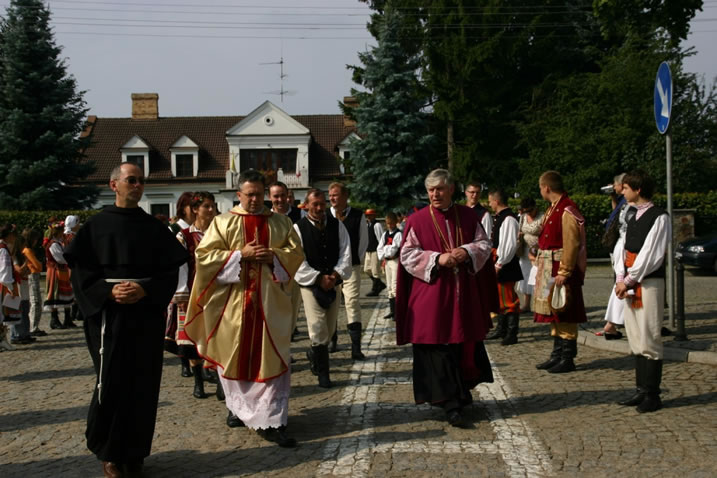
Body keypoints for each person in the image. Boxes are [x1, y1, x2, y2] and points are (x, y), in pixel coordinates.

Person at [64, 163, 187, 477]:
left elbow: (169, 272)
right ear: (114, 185)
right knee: (111, 380)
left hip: (145, 315)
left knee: (143, 383)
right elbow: (80, 274)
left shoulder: (154, 227)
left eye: (141, 181)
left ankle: (135, 453)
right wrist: (108, 292)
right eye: (131, 180)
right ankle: (109, 453)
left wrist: (145, 289)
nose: (137, 185)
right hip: (108, 317)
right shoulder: (96, 226)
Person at [184, 170, 304, 448]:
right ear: (238, 195)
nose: (254, 199)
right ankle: (236, 408)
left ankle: (272, 421)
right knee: (234, 354)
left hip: (270, 306)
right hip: (234, 306)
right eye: (249, 195)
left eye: (259, 194)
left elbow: (297, 254)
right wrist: (240, 255)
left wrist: (274, 256)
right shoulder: (223, 222)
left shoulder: (281, 222)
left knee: (271, 359)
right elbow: (204, 257)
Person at [396, 169, 496, 427]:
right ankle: (449, 403)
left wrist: (466, 251)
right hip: (432, 295)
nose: (435, 194)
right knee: (436, 347)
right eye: (431, 190)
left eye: (439, 189)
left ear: (451, 189)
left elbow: (484, 244)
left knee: (462, 344)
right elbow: (407, 255)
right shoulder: (417, 220)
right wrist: (436, 258)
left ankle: (460, 395)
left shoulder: (468, 216)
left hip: (463, 294)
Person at [614, 170, 670, 413]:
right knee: (635, 335)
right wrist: (620, 276)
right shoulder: (631, 214)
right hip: (630, 282)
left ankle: (652, 394)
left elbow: (651, 254)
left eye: (626, 188)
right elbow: (622, 247)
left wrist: (629, 279)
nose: (622, 192)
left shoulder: (659, 217)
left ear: (638, 190)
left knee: (649, 335)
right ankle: (641, 390)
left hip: (648, 283)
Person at [294, 188, 353, 388]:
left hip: (333, 281)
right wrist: (318, 278)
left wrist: (334, 275)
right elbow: (297, 259)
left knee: (329, 328)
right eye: (315, 204)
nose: (319, 208)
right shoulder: (298, 228)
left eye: (322, 204)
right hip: (310, 284)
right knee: (317, 326)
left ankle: (314, 352)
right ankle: (323, 374)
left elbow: (346, 252)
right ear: (306, 205)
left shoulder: (337, 225)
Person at [166, 191, 221, 399]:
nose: (211, 210)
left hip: (217, 293)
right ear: (195, 209)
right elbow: (180, 265)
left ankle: (220, 382)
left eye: (213, 206)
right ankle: (198, 381)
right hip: (192, 292)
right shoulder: (185, 235)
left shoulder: (220, 232)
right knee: (193, 338)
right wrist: (181, 293)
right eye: (206, 206)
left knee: (217, 337)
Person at [533, 171, 587, 374]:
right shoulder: (553, 208)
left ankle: (567, 357)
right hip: (550, 266)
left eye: (541, 188)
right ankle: (557, 354)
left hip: (561, 267)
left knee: (565, 311)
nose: (540, 191)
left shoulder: (567, 209)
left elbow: (571, 243)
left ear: (546, 187)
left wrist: (565, 271)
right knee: (554, 311)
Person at [328, 182, 369, 359]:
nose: (332, 198)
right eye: (330, 195)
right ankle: (332, 339)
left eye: (335, 195)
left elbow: (363, 242)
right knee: (332, 303)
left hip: (351, 267)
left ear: (345, 196)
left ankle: (355, 346)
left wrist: (354, 261)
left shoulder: (358, 215)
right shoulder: (326, 215)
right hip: (330, 268)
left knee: (352, 302)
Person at [485, 189, 523, 346]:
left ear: (497, 201)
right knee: (500, 298)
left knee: (508, 299)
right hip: (499, 261)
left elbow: (509, 245)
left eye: (490, 201)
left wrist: (500, 263)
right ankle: (502, 329)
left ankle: (512, 333)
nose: (490, 204)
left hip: (505, 264)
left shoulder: (508, 219)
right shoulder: (501, 217)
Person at [269, 181, 303, 345]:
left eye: (283, 195)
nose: (280, 200)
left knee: (291, 310)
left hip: (295, 272)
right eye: (276, 196)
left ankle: (286, 344)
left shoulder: (301, 215)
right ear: (270, 197)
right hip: (271, 273)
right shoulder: (265, 217)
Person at [600, 173, 629, 339]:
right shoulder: (626, 204)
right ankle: (611, 324)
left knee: (621, 284)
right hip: (623, 248)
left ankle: (611, 324)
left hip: (621, 247)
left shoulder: (626, 204)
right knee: (623, 285)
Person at [44, 221, 75, 329]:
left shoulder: (59, 243)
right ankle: (54, 319)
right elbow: (60, 259)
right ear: (58, 232)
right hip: (55, 271)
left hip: (62, 270)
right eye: (62, 231)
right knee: (55, 293)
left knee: (65, 293)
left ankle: (67, 318)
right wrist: (71, 260)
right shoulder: (53, 244)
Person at [516, 198, 542, 312]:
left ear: (535, 207)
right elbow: (520, 229)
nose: (529, 213)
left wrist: (536, 248)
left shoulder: (542, 217)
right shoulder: (523, 217)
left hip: (538, 251)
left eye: (530, 210)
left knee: (537, 277)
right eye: (526, 211)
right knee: (526, 277)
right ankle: (526, 304)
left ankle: (539, 304)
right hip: (525, 250)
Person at [10, 232, 35, 345]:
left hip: (24, 286)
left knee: (25, 310)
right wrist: (26, 263)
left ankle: (25, 333)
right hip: (18, 287)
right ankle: (17, 335)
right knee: (19, 311)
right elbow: (19, 270)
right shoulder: (14, 257)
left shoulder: (21, 256)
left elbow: (27, 271)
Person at [377, 212, 402, 319]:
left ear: (395, 222)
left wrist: (386, 250)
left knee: (395, 285)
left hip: (395, 261)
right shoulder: (385, 234)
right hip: (387, 262)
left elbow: (393, 249)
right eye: (388, 223)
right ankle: (392, 310)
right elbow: (380, 247)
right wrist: (384, 254)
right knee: (389, 286)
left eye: (391, 223)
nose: (390, 225)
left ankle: (397, 312)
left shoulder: (398, 234)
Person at [0, 224, 21, 351]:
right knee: (2, 313)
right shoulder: (3, 250)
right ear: (9, 235)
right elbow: (5, 270)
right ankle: (2, 340)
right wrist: (10, 288)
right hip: (2, 285)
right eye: (13, 235)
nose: (15, 238)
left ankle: (3, 340)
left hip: (2, 284)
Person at [22, 228, 46, 337]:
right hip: (32, 276)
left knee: (36, 302)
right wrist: (39, 264)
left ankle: (34, 326)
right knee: (35, 302)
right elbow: (38, 266)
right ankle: (33, 327)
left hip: (34, 275)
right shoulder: (28, 251)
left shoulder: (27, 250)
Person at [364, 209, 386, 297]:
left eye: (370, 215)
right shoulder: (367, 225)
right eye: (367, 215)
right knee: (366, 269)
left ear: (374, 215)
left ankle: (375, 289)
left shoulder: (377, 225)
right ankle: (380, 284)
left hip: (375, 250)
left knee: (375, 271)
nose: (368, 217)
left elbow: (380, 238)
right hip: (368, 250)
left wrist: (381, 251)